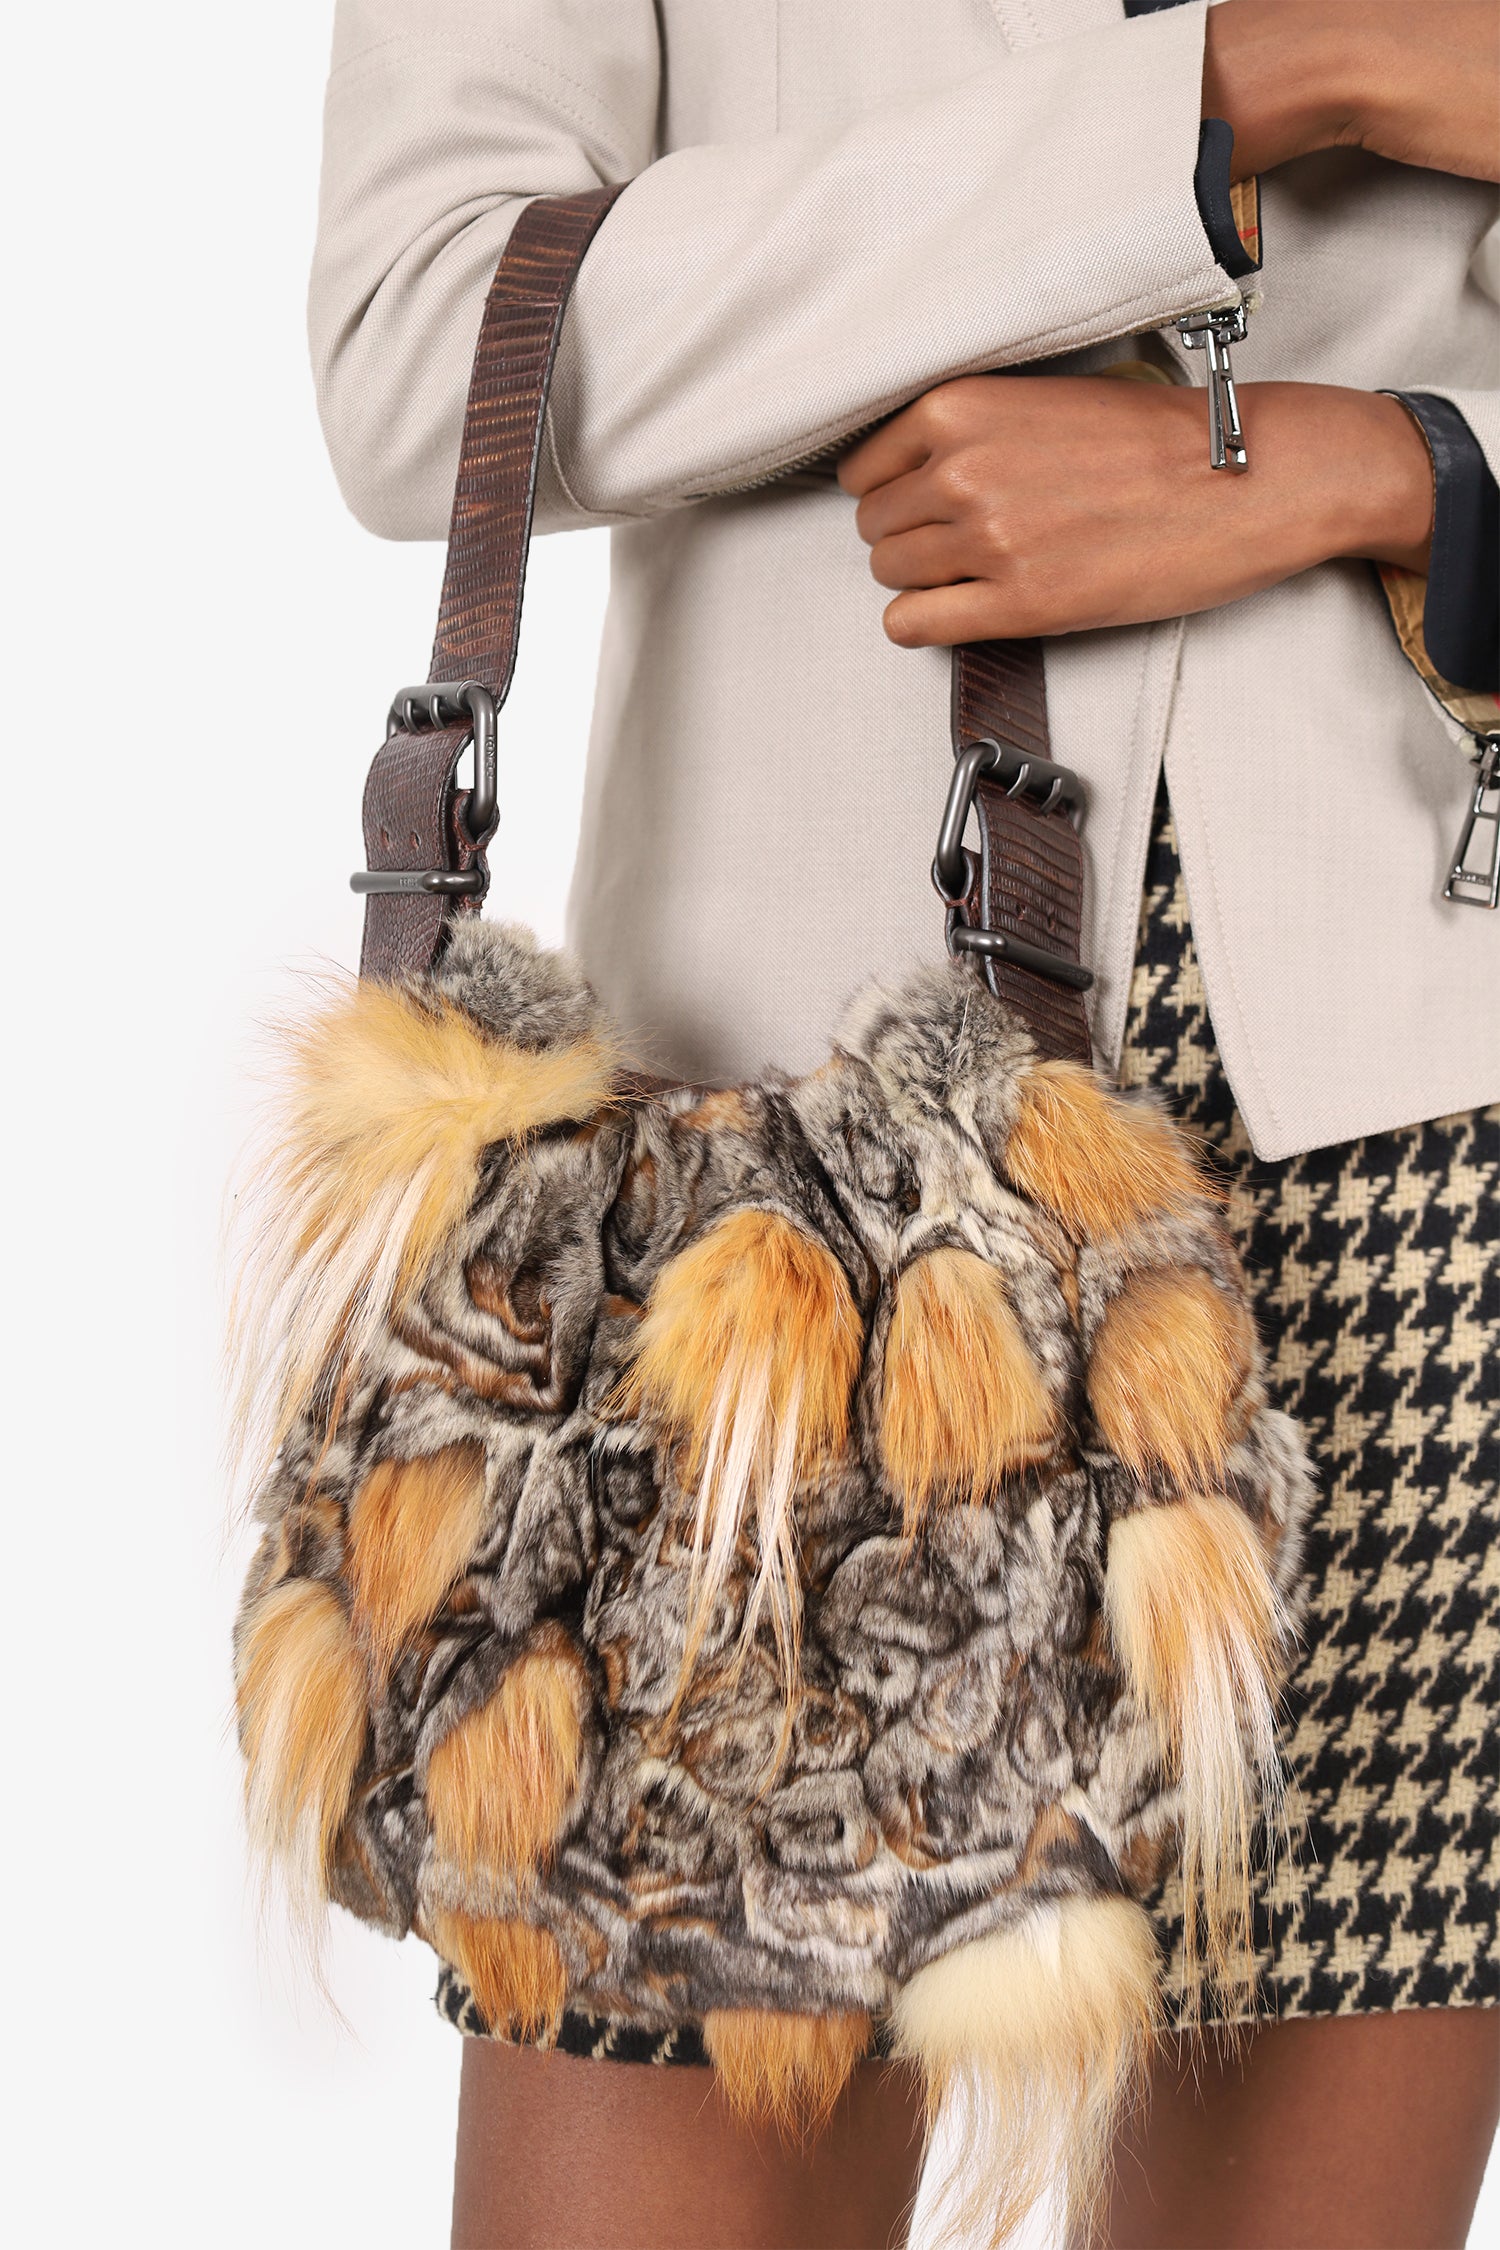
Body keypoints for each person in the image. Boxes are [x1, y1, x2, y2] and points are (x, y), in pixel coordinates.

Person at [306, 2, 1499, 2243]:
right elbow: (422, 338)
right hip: (776, 1189)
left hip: (1423, 1125)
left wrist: (1398, 469)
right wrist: (1240, 87)